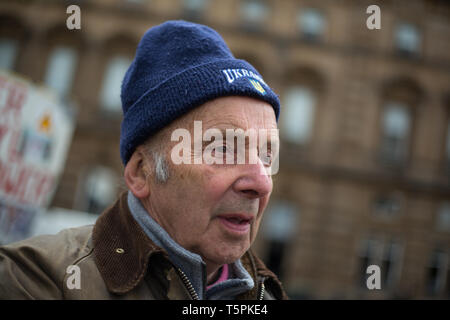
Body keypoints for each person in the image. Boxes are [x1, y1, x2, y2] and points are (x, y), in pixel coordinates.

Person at [0, 20, 288, 300]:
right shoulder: (31, 280)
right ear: (141, 171)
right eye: (223, 148)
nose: (262, 183)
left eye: (267, 155)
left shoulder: (269, 294)